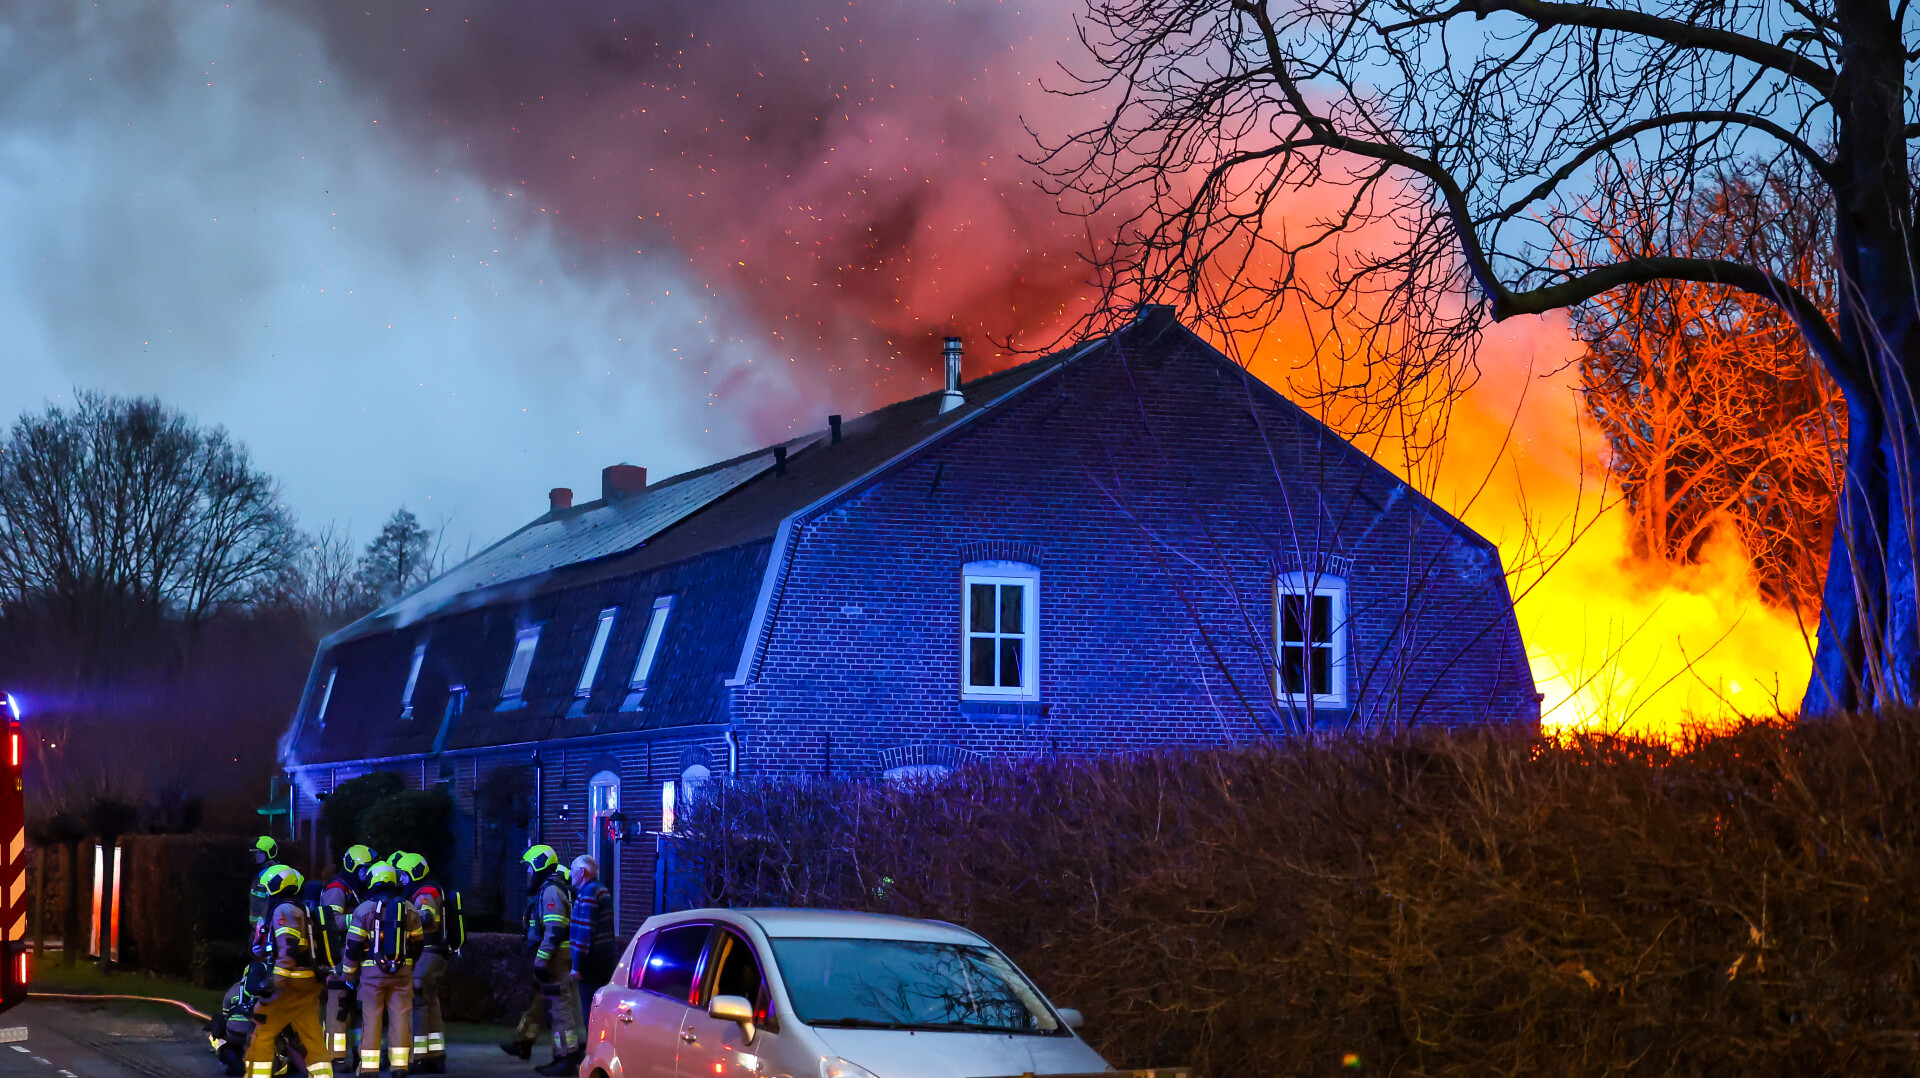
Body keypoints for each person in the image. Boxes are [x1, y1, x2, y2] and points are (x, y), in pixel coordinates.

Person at [498, 844, 583, 1076]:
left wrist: (542, 960)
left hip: (554, 959)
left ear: (538, 865)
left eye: (529, 868)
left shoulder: (551, 891)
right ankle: (528, 1044)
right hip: (556, 958)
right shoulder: (552, 888)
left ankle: (565, 1058)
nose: (528, 873)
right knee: (550, 1005)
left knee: (560, 1010)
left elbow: (554, 929)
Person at [242, 865, 331, 1078]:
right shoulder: (301, 909)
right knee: (312, 1035)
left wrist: (273, 983)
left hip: (290, 983)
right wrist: (262, 949)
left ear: (276, 887)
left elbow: (289, 949)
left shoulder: (284, 911)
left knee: (264, 1030)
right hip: (309, 982)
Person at [340, 861, 421, 1078]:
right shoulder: (410, 908)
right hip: (403, 973)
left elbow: (353, 946)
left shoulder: (364, 909)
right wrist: (407, 964)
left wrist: (348, 975)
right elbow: (418, 943)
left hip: (371, 974)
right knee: (400, 1019)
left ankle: (368, 1068)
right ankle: (400, 1066)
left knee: (371, 1019)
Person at [394, 852, 449, 1074]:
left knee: (417, 1004)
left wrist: (399, 919)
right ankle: (435, 1055)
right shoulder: (427, 889)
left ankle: (417, 1058)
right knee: (430, 1003)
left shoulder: (425, 893)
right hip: (433, 954)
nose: (401, 881)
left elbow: (426, 916)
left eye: (404, 876)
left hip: (426, 953)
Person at [320, 844, 375, 1068]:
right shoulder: (338, 888)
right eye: (365, 868)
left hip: (357, 953)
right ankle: (335, 1056)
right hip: (341, 954)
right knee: (339, 1004)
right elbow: (332, 920)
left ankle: (361, 1053)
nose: (368, 873)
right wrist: (361, 918)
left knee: (361, 1006)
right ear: (354, 867)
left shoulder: (359, 888)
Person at [568, 855, 618, 1020]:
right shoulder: (600, 889)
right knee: (603, 1008)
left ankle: (593, 1045)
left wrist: (577, 964)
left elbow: (585, 930)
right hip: (604, 958)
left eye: (573, 870)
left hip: (591, 962)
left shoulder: (588, 893)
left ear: (582, 872)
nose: (570, 874)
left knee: (590, 1012)